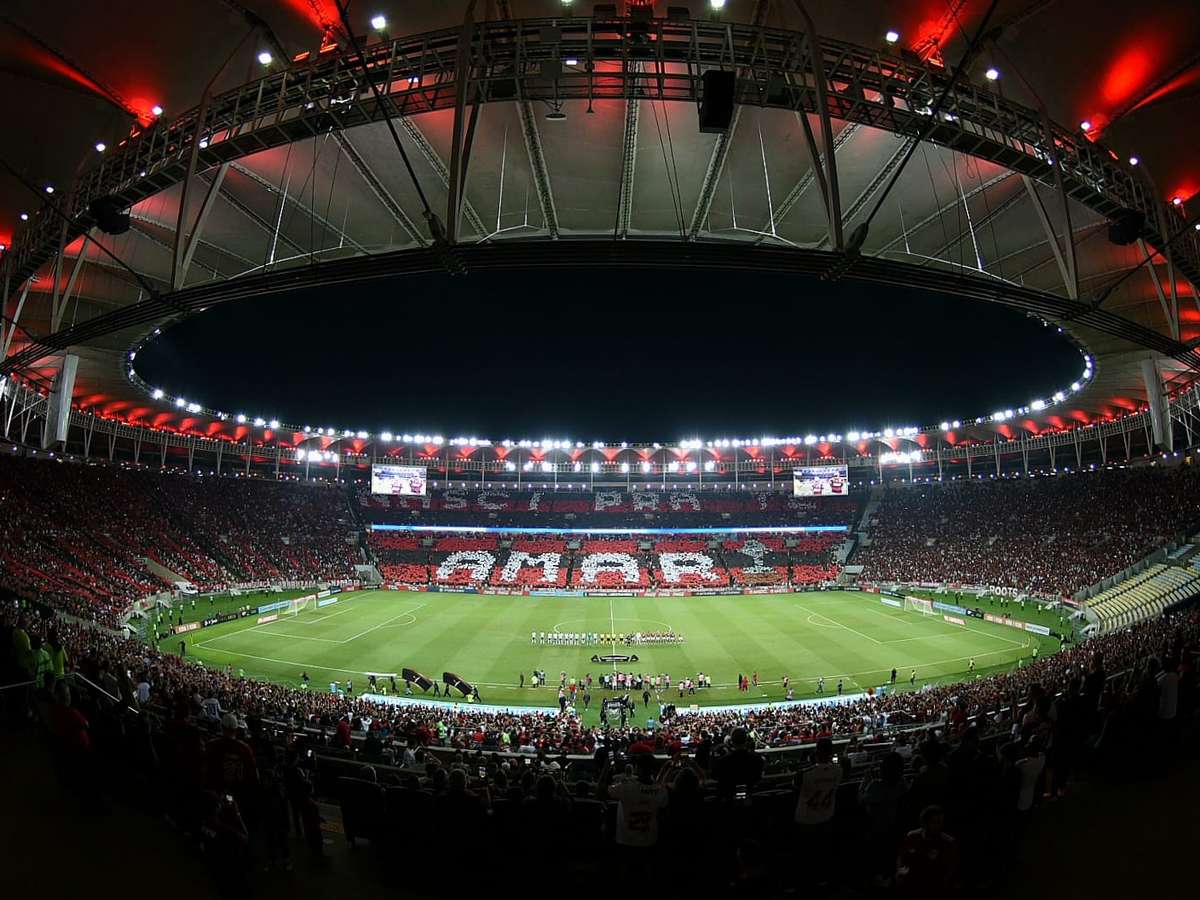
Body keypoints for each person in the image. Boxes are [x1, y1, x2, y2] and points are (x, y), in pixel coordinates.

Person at [794, 737, 842, 884]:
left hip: (806, 820)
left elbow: (796, 788)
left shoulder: (805, 774)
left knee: (807, 855)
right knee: (823, 853)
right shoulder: (838, 771)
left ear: (816, 752)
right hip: (827, 817)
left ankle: (809, 883)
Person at [896, 806, 958, 898]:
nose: (939, 825)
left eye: (941, 821)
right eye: (935, 822)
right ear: (924, 823)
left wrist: (943, 883)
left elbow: (952, 865)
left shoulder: (948, 842)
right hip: (912, 881)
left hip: (934, 884)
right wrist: (900, 873)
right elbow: (902, 856)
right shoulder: (912, 836)